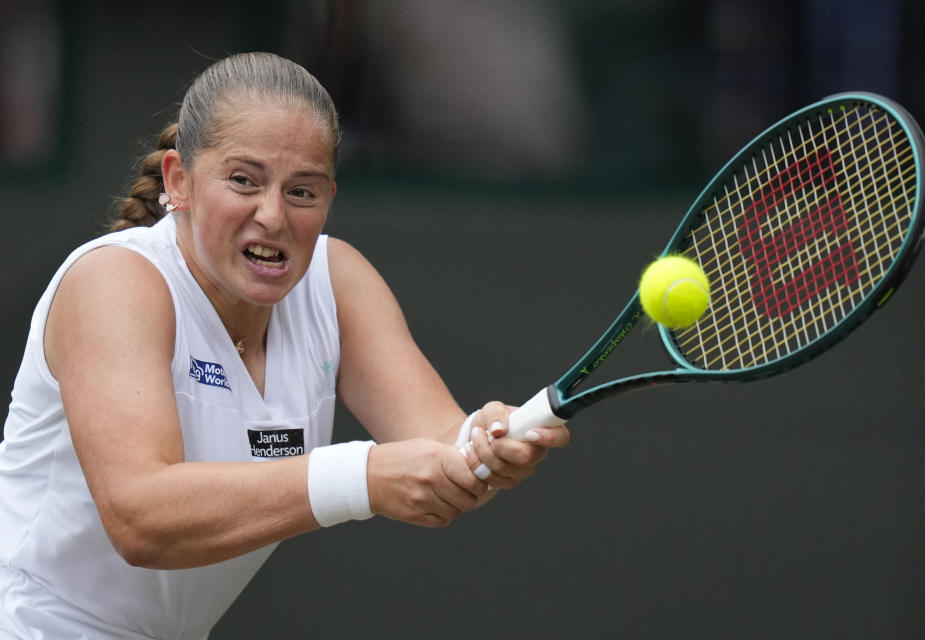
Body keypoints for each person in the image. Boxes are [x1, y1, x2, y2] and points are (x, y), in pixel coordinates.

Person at [0, 52, 570, 639]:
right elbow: (140, 517)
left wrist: (487, 443)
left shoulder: (338, 280)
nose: (272, 216)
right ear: (179, 180)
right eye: (243, 180)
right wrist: (361, 477)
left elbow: (439, 444)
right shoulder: (115, 282)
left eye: (302, 191)